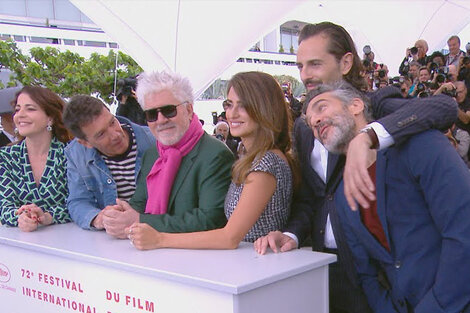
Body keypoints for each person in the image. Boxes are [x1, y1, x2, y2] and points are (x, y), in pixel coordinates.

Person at [254, 22, 457, 313]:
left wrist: (368, 137)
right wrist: (292, 234)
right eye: (299, 66)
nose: (305, 75)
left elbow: (443, 108)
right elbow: (313, 198)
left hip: (377, 273)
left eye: (314, 63)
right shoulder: (304, 127)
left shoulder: (376, 104)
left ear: (346, 62)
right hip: (322, 266)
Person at [305, 81, 470, 313]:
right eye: (309, 122)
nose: (315, 121)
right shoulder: (343, 195)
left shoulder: (421, 145)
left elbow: (464, 232)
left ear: (356, 105)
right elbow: (366, 274)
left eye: (321, 107)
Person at [125, 71, 296, 250]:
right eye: (229, 105)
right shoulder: (254, 157)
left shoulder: (266, 162)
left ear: (265, 109)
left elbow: (229, 238)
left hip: (258, 268)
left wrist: (159, 239)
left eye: (244, 106)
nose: (232, 114)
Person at [100, 71, 234, 239]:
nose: (161, 120)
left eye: (169, 110)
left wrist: (141, 221)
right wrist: (118, 214)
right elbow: (139, 202)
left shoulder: (215, 154)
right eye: (151, 114)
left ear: (189, 109)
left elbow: (211, 219)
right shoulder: (153, 154)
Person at [63, 95, 155, 231]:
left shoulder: (154, 140)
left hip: (154, 231)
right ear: (85, 142)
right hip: (111, 241)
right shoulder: (76, 154)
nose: (115, 135)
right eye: (101, 134)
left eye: (112, 122)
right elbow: (78, 201)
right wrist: (99, 219)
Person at [0, 86, 73, 231]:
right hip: (23, 243)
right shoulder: (7, 156)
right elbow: (4, 207)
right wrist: (22, 216)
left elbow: (81, 203)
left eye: (30, 109)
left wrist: (48, 216)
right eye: (18, 109)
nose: (20, 115)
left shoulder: (71, 153)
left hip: (69, 243)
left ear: (50, 118)